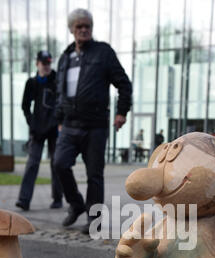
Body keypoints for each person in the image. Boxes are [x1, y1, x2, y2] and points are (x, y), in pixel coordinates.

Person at [54, 8, 132, 234]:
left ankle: (94, 220)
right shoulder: (65, 57)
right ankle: (76, 204)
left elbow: (123, 83)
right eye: (79, 26)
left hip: (96, 125)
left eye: (87, 26)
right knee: (59, 164)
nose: (84, 30)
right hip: (69, 125)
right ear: (71, 30)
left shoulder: (103, 52)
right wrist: (59, 119)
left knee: (94, 175)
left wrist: (121, 112)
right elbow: (61, 91)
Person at [15, 51, 63, 211]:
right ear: (37, 64)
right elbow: (25, 105)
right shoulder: (32, 83)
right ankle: (24, 200)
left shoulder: (57, 80)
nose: (47, 66)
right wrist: (31, 122)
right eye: (44, 63)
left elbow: (62, 103)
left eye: (49, 63)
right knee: (31, 164)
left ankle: (57, 198)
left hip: (54, 130)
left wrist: (60, 123)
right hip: (37, 130)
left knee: (56, 164)